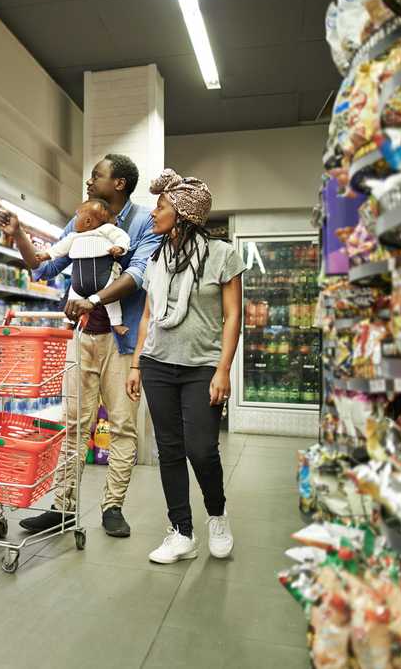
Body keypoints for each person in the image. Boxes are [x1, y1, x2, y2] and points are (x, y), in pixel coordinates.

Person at [0, 154, 161, 538]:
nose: (89, 181)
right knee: (72, 425)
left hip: (122, 341)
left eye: (96, 175)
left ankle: (112, 507)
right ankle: (63, 506)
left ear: (118, 183)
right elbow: (43, 267)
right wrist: (19, 234)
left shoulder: (143, 225)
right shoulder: (81, 220)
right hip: (82, 336)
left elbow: (137, 276)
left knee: (122, 426)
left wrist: (95, 300)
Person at [125, 169, 245, 564]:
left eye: (160, 207)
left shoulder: (223, 255)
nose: (154, 214)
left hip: (202, 367)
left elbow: (233, 316)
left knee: (201, 449)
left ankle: (217, 514)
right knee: (169, 450)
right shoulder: (157, 257)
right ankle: (181, 532)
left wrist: (223, 369)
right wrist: (138, 364)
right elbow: (146, 317)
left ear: (182, 213)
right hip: (158, 364)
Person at [40, 198, 131, 336]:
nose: (75, 219)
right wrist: (47, 254)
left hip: (104, 279)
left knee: (112, 302)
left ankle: (116, 323)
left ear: (88, 221)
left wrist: (120, 247)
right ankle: (68, 323)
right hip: (78, 282)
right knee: (71, 301)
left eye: (77, 216)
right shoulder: (73, 237)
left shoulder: (106, 230)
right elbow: (60, 248)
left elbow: (122, 237)